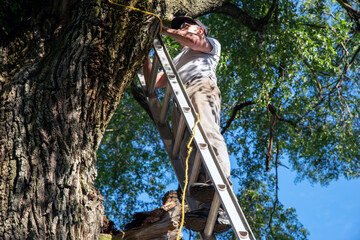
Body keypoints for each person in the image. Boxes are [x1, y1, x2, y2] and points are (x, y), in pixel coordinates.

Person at [143, 16, 231, 233]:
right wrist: (143, 52)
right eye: (179, 27)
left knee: (207, 132)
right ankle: (207, 210)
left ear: (201, 31)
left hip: (200, 87)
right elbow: (153, 83)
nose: (180, 28)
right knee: (186, 152)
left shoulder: (211, 45)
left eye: (186, 26)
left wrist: (161, 30)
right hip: (178, 100)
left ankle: (219, 185)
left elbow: (192, 41)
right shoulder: (177, 58)